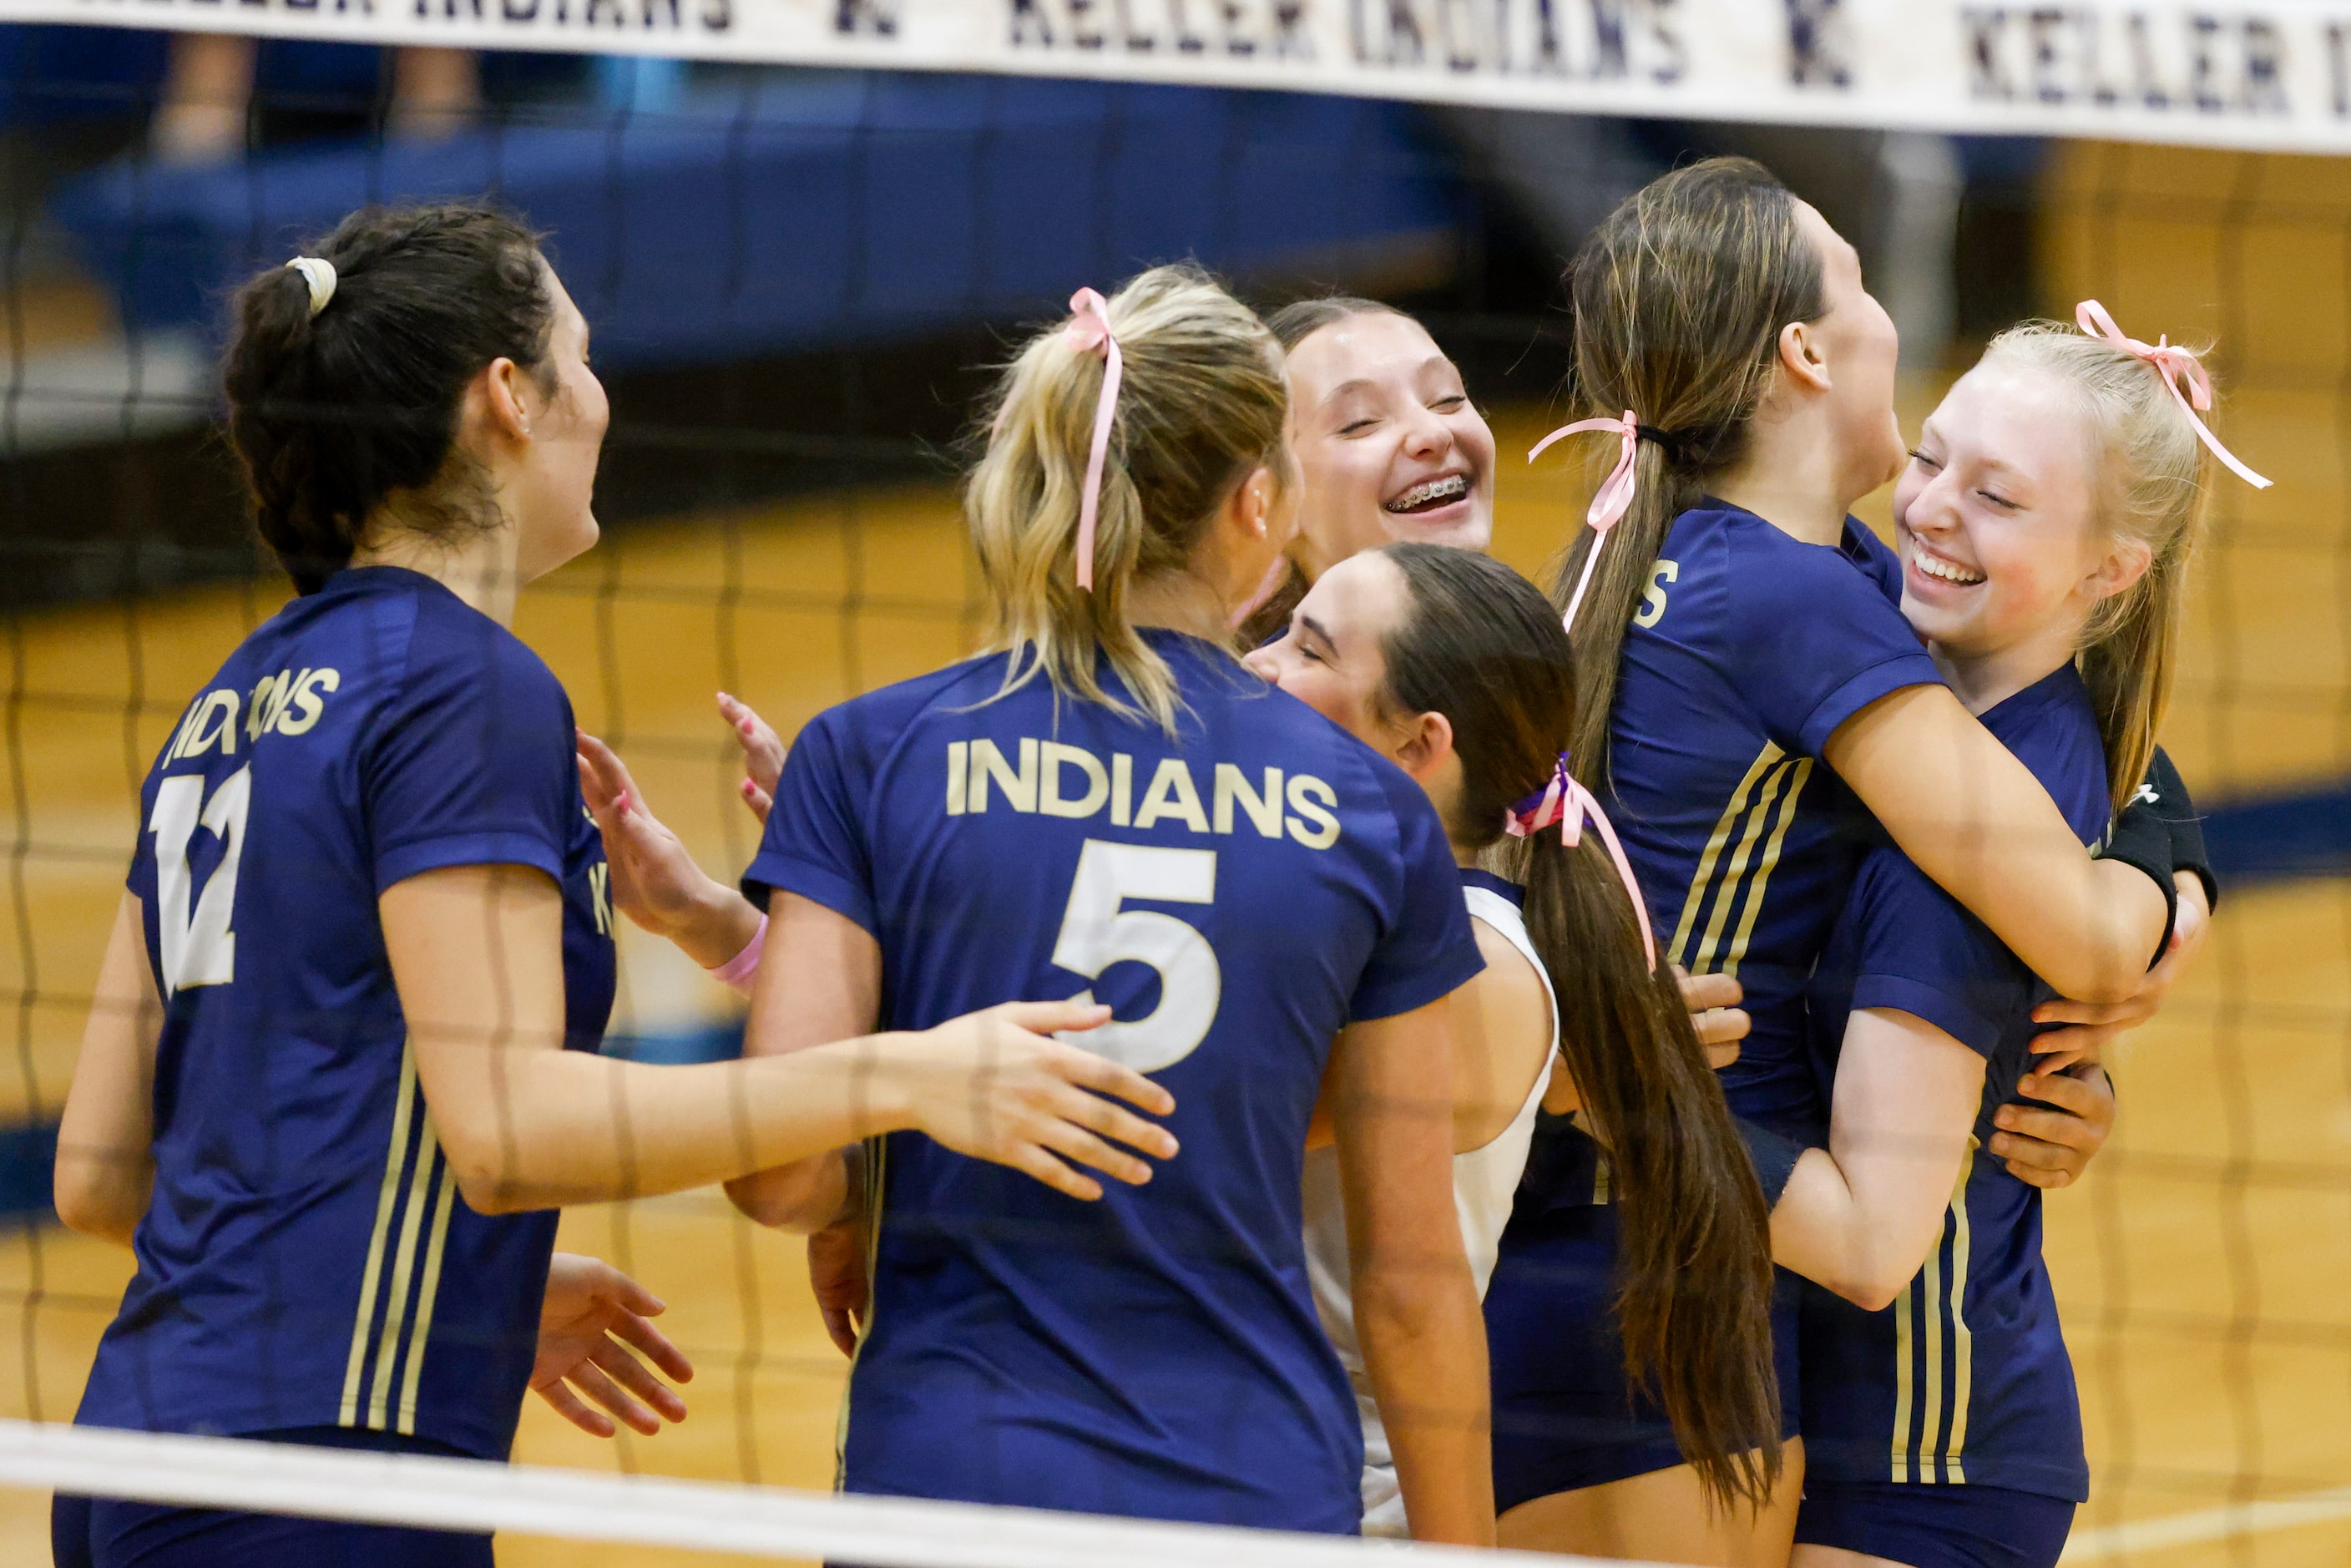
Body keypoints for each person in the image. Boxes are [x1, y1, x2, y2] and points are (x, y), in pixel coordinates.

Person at [49, 204, 1174, 1568]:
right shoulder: (460, 681)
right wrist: (908, 1073)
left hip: (129, 1456)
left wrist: (441, 1301)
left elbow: (102, 1170)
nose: (602, 397)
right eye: (578, 360)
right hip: (321, 1485)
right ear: (506, 398)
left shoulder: (223, 709)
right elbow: (510, 1129)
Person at [1484, 157, 2202, 1565]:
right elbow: (2086, 933)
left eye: (1993, 489)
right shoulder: (1800, 602)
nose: (1938, 501)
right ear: (1809, 349)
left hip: (1584, 1257)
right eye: (1862, 283)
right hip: (1686, 1272)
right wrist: (2155, 902)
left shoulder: (1695, 558)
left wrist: (2173, 856)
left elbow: (2015, 729)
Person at [705, 266, 1491, 1540]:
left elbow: (782, 1179)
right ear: (1258, 504)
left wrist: (882, 1131)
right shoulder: (1372, 806)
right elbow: (1410, 1284)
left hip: (956, 1480)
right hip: (1253, 1488)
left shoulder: (869, 754)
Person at [1775, 308, 2251, 1568]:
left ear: (2112, 569)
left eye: (1998, 496)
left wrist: (1613, 1085)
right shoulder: (1880, 630)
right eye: (1931, 459)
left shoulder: (1997, 837)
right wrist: (2172, 855)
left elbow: (1878, 1239)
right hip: (1788, 1394)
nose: (1928, 509)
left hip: (1922, 1441)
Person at [1246, 542, 1782, 1531]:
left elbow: (1192, 1131)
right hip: (1234, 1469)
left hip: (1344, 1510)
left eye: (1306, 651)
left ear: (1418, 744)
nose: (1254, 665)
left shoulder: (1472, 967)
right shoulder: (1354, 916)